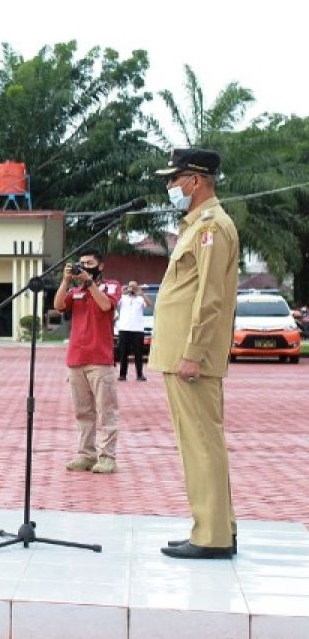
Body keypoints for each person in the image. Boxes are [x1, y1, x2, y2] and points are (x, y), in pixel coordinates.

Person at [150, 148, 239, 559]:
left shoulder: (210, 228)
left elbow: (209, 298)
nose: (171, 187)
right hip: (183, 354)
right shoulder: (197, 226)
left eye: (175, 179)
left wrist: (193, 351)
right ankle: (217, 527)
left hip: (191, 357)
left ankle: (211, 537)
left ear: (196, 181)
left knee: (201, 443)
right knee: (202, 442)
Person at [54, 250, 121, 474]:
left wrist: (90, 283)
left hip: (100, 360)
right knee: (83, 412)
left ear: (100, 266)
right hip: (76, 359)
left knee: (106, 411)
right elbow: (59, 306)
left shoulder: (110, 286)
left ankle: (108, 456)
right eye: (81, 263)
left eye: (89, 263)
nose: (83, 267)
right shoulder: (76, 291)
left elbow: (105, 306)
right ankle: (85, 454)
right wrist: (65, 280)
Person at [116, 281, 152, 381]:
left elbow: (150, 304)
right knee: (123, 353)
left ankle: (140, 375)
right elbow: (114, 303)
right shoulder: (123, 298)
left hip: (137, 329)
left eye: (134, 287)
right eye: (130, 287)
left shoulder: (140, 298)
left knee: (138, 353)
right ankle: (122, 375)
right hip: (124, 329)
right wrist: (121, 292)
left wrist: (142, 293)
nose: (132, 289)